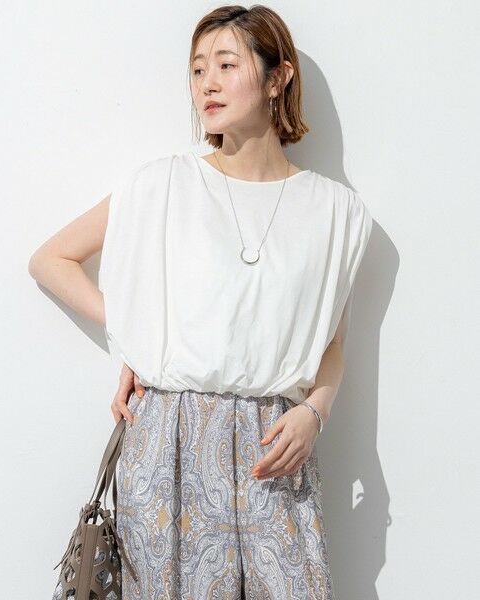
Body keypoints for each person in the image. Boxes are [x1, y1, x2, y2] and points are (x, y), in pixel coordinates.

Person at [31, 5, 373, 599]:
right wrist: (144, 333)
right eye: (196, 69)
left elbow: (332, 343)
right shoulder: (163, 184)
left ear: (277, 77)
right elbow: (51, 260)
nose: (206, 83)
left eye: (226, 65)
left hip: (275, 447)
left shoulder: (336, 211)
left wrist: (315, 412)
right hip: (169, 445)